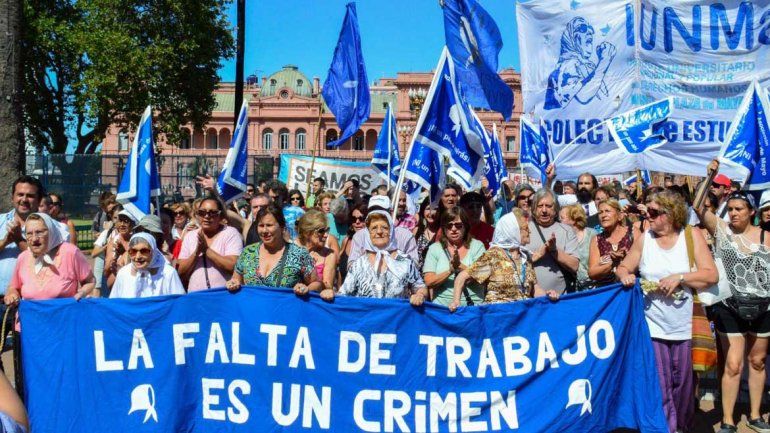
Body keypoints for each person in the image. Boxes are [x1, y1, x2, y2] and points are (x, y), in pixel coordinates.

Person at [616, 190, 718, 433]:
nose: (647, 216)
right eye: (647, 211)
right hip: (652, 326)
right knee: (660, 386)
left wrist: (680, 277)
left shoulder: (691, 236)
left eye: (653, 212)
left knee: (684, 386)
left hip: (686, 326)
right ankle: (666, 428)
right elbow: (623, 266)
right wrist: (626, 275)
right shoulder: (644, 239)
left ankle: (683, 424)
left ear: (671, 214)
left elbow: (711, 274)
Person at [693, 160, 770, 433]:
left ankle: (756, 414)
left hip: (763, 308)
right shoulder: (722, 232)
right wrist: (709, 175)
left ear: (751, 212)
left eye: (739, 210)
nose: (734, 214)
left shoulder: (766, 237)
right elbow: (697, 207)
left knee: (757, 362)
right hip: (730, 306)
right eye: (732, 209)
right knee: (734, 364)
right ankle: (727, 419)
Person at [449, 210, 558, 311]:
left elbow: (534, 287)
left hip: (522, 316)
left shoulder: (525, 257)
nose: (529, 231)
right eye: (525, 228)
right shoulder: (494, 255)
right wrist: (456, 302)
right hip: (498, 318)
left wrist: (547, 296)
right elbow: (462, 277)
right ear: (513, 231)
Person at [226, 205, 327, 298]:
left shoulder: (299, 254)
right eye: (261, 226)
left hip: (284, 314)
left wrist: (307, 289)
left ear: (282, 227)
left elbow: (317, 284)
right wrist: (232, 283)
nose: (264, 231)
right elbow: (236, 280)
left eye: (269, 225)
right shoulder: (248, 252)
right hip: (253, 313)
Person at [4, 213, 96, 310]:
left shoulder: (70, 252)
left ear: (51, 231)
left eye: (39, 232)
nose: (34, 239)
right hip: (30, 322)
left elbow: (90, 282)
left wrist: (81, 293)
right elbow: (13, 287)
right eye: (29, 233)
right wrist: (12, 295)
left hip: (63, 320)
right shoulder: (23, 257)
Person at [338, 209, 428, 306]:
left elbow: (420, 287)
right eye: (374, 228)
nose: (379, 231)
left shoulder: (405, 261)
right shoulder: (358, 264)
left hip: (397, 319)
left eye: (384, 227)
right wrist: (328, 295)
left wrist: (420, 295)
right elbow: (343, 295)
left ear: (391, 231)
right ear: (368, 233)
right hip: (367, 319)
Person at [178, 195, 243, 292]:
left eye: (213, 213)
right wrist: (196, 253)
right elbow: (180, 271)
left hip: (224, 296)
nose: (207, 216)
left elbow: (235, 266)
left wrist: (207, 250)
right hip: (196, 298)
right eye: (202, 213)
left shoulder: (231, 233)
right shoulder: (190, 236)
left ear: (220, 215)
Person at [423, 207, 485, 306]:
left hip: (472, 308)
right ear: (443, 228)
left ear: (466, 226)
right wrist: (450, 271)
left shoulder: (477, 246)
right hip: (442, 309)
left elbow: (483, 276)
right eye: (449, 226)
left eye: (458, 225)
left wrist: (459, 265)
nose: (453, 229)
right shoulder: (434, 249)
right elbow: (429, 281)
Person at [526, 189, 579, 294]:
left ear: (555, 210)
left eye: (548, 206)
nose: (544, 210)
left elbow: (574, 265)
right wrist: (535, 256)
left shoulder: (567, 230)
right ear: (534, 209)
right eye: (540, 206)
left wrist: (554, 251)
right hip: (530, 298)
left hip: (560, 298)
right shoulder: (524, 230)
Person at [348, 196, 418, 265]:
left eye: (382, 211)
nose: (377, 214)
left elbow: (414, 264)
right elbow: (351, 264)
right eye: (373, 211)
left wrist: (396, 259)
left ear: (391, 212)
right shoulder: (359, 236)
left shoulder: (405, 235)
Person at [110, 233, 184, 298]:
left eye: (144, 251)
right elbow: (115, 304)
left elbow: (179, 303)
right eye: (133, 251)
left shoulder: (168, 273)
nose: (138, 256)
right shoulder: (123, 273)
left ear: (154, 252)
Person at [587, 199, 633, 288]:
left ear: (620, 216)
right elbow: (592, 273)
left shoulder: (633, 232)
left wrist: (628, 257)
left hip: (630, 288)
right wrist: (611, 263)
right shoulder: (596, 239)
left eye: (607, 211)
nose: (603, 215)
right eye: (600, 212)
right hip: (608, 291)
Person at [296, 210, 338, 292]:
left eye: (327, 230)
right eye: (321, 231)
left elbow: (328, 286)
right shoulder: (292, 249)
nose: (326, 235)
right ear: (307, 233)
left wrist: (309, 288)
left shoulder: (329, 254)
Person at [560, 204, 597, 290]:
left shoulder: (592, 234)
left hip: (595, 286)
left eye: (562, 218)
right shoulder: (563, 239)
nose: (559, 222)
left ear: (573, 219)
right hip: (575, 289)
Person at [91, 201, 120, 296]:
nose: (118, 221)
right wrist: (107, 247)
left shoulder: (130, 235)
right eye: (115, 217)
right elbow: (94, 253)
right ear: (111, 218)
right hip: (107, 273)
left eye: (121, 217)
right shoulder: (106, 233)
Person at [104, 210, 137, 289]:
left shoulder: (137, 240)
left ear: (132, 224)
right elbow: (106, 270)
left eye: (126, 221)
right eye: (120, 221)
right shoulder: (113, 241)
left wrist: (125, 248)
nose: (122, 224)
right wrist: (114, 259)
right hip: (116, 284)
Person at [339, 203, 368, 282]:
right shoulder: (346, 240)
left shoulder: (371, 245)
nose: (357, 222)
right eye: (353, 219)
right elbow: (340, 273)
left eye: (361, 218)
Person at [414, 198, 440, 270]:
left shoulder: (443, 232)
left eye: (435, 209)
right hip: (418, 277)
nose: (432, 213)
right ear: (423, 211)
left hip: (436, 276)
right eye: (428, 209)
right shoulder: (417, 231)